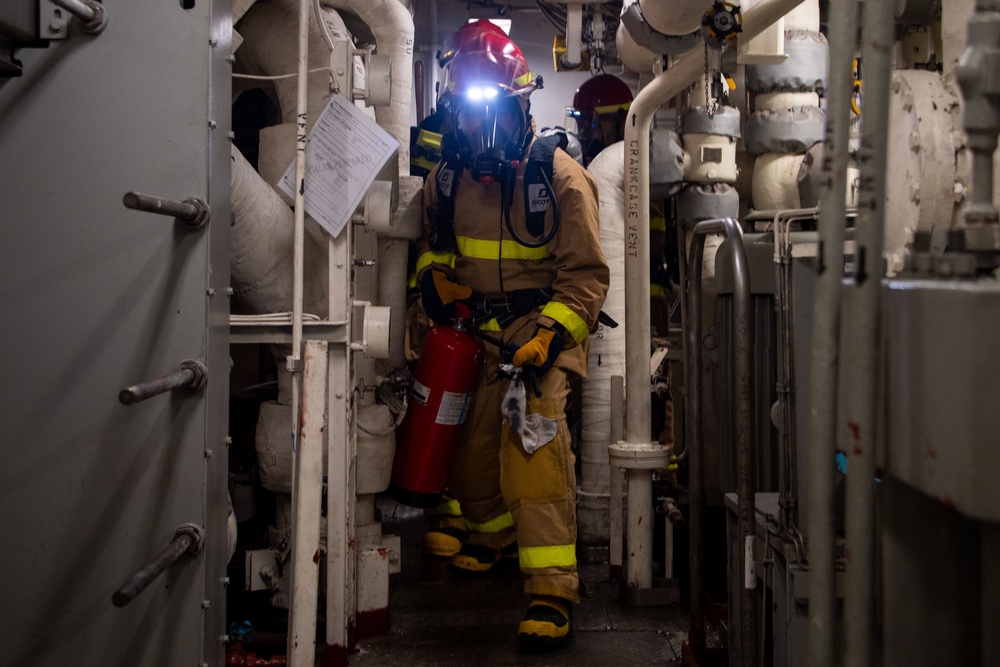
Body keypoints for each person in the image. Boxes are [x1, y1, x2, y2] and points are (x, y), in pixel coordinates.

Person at [414, 26, 609, 651]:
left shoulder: (561, 177)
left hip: (536, 338)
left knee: (532, 453)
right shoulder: (443, 182)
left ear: (522, 104)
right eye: (471, 113)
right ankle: (494, 536)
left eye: (495, 109)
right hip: (476, 339)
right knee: (468, 464)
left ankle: (551, 588)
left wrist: (550, 335)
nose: (483, 127)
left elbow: (586, 277)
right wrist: (432, 283)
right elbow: (431, 253)